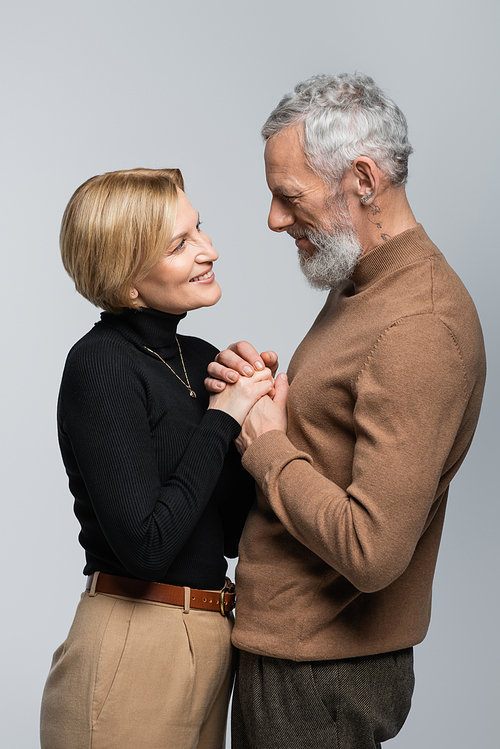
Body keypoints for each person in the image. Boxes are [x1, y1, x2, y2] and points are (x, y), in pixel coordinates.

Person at [206, 73, 487, 748]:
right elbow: (333, 451)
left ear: (362, 179)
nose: (274, 218)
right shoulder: (363, 281)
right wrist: (276, 407)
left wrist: (269, 444)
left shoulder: (418, 323)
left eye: (288, 196)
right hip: (295, 656)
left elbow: (371, 550)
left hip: (321, 676)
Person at [39, 167, 274, 749]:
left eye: (200, 229)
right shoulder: (100, 363)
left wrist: (265, 419)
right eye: (181, 244)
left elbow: (234, 534)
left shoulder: (200, 360)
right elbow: (147, 549)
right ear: (128, 283)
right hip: (133, 643)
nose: (210, 250)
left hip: (214, 639)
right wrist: (223, 419)